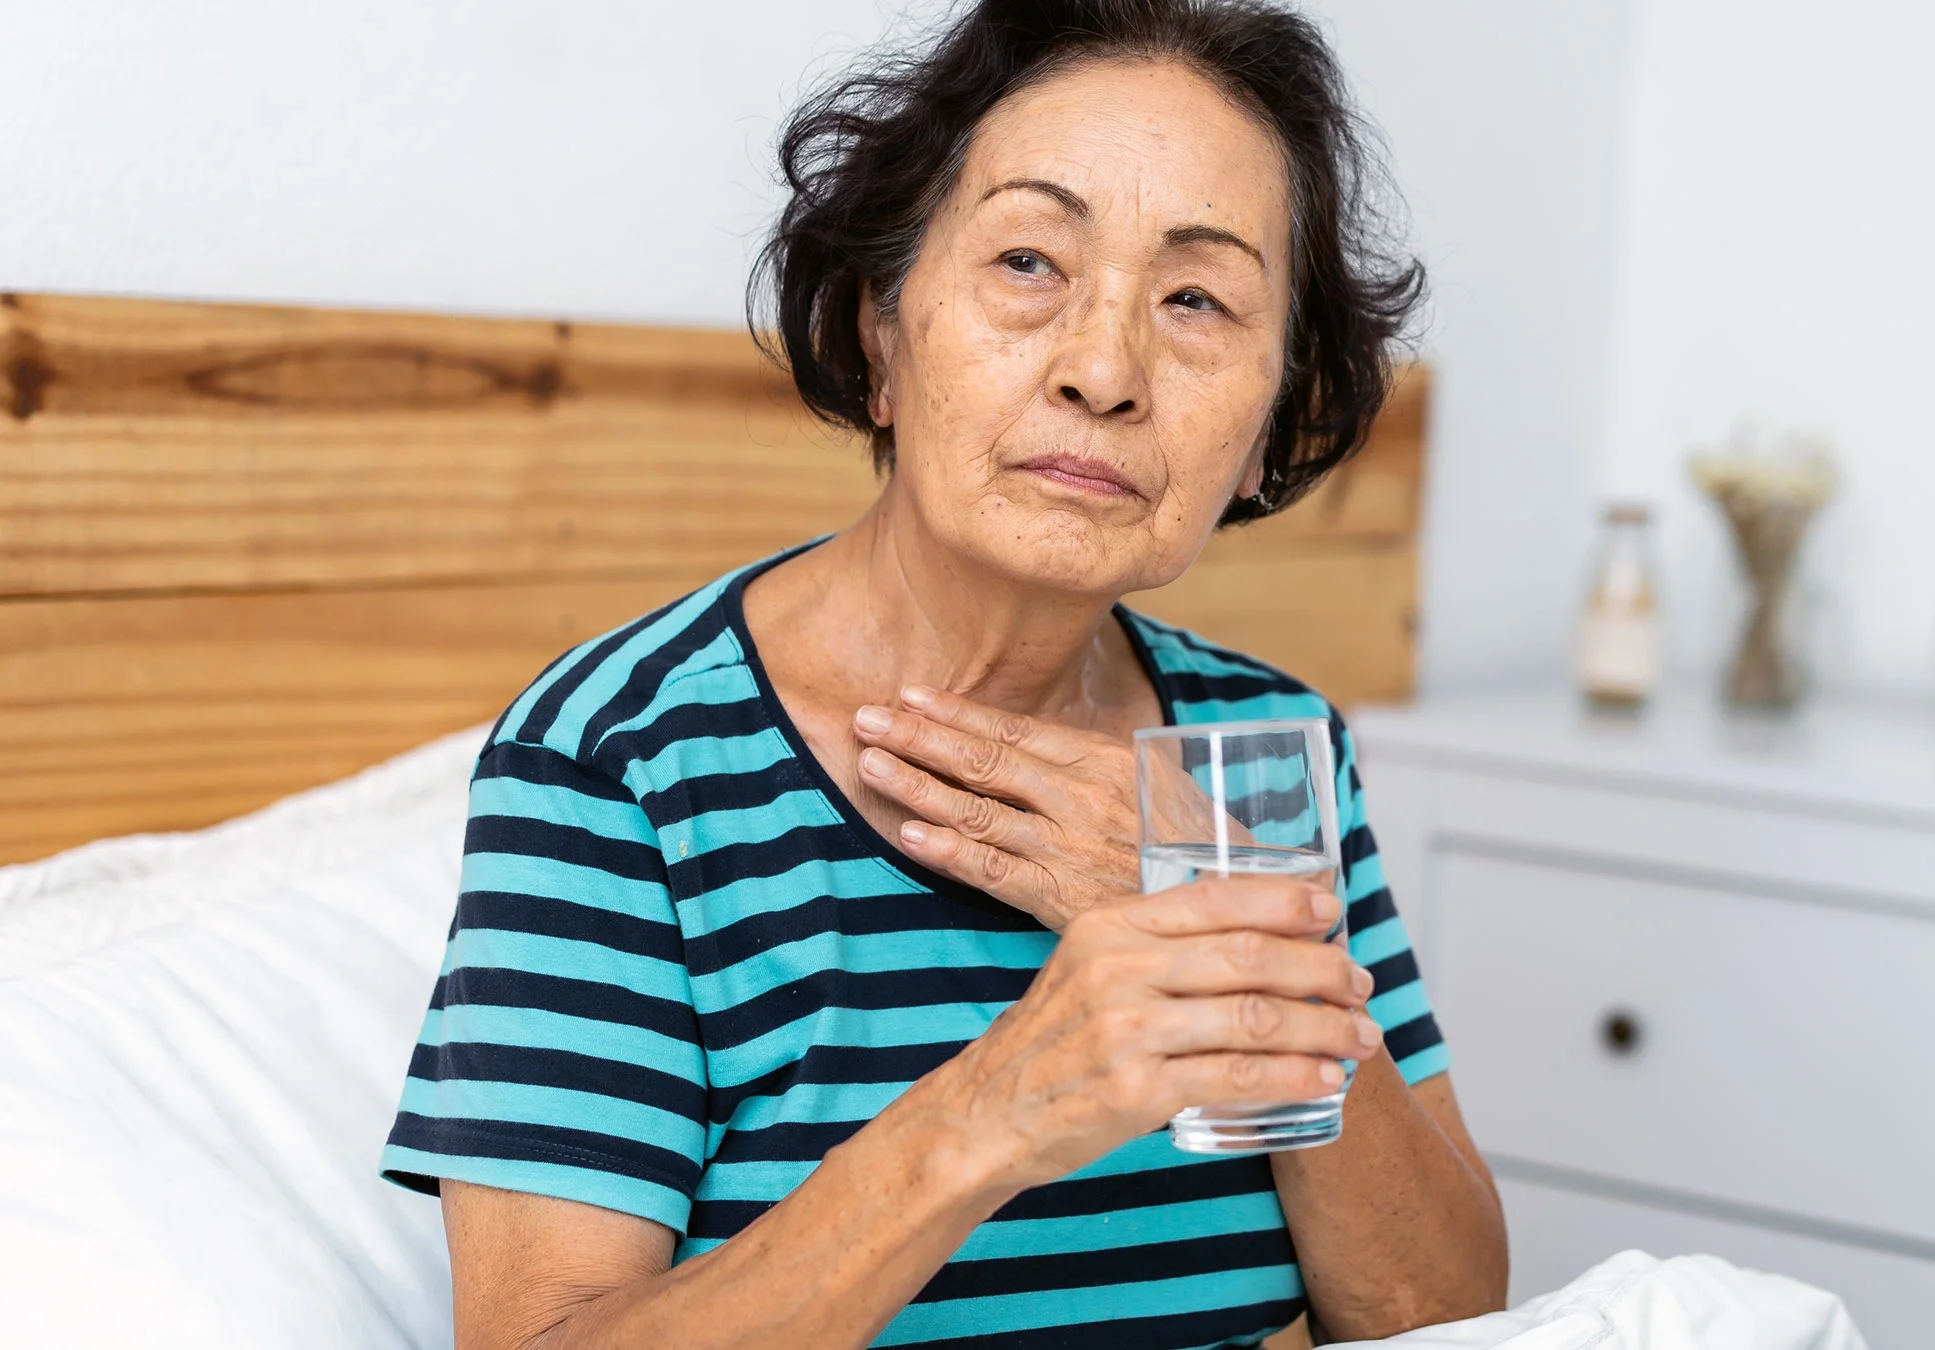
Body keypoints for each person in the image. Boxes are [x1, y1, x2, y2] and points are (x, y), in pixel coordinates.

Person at [381, 1, 1509, 1345]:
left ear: (1272, 420)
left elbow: (1447, 1316)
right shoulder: (621, 764)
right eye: (1028, 261)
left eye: (1198, 299)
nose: (1104, 369)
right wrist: (995, 1110)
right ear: (882, 334)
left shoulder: (1263, 740)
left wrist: (1239, 942)